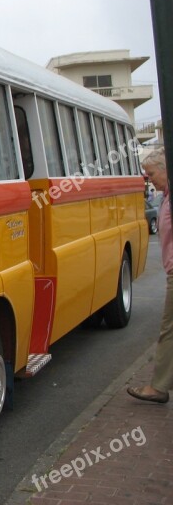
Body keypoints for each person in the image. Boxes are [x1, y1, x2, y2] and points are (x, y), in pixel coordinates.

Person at [128, 148, 172, 404]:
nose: (149, 179)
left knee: (169, 330)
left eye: (152, 173)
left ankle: (158, 387)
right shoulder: (165, 196)